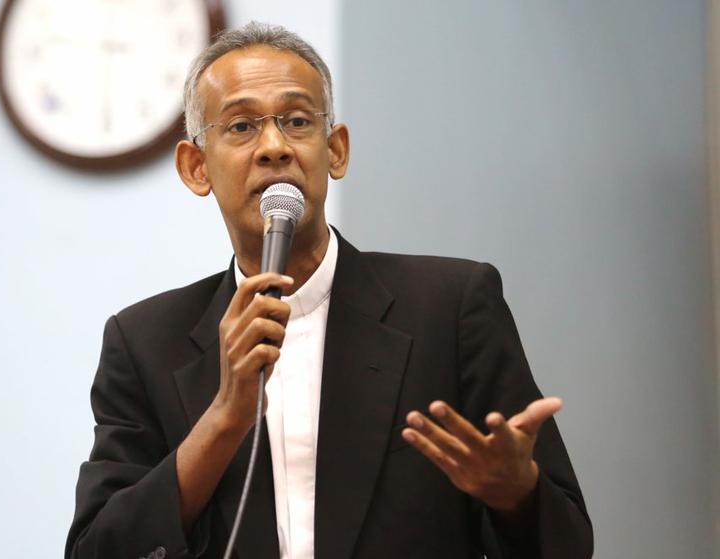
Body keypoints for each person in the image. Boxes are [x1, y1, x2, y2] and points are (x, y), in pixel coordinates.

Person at [65, 22, 593, 559]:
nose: (274, 147)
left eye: (297, 120)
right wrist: (225, 416)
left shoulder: (451, 306)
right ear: (195, 166)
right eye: (242, 126)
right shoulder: (145, 342)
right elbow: (100, 550)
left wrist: (516, 497)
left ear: (335, 150)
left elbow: (569, 542)